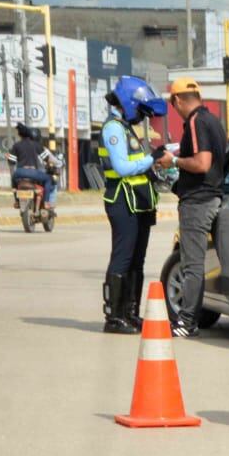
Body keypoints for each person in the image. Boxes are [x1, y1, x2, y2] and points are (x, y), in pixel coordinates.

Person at [155, 78, 226, 337]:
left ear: (177, 100)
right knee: (198, 263)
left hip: (198, 201)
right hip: (210, 197)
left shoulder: (196, 122)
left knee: (192, 264)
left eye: (173, 104)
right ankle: (191, 318)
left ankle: (186, 321)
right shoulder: (213, 121)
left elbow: (202, 163)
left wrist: (173, 160)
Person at [97, 76, 167, 335]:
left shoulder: (126, 127)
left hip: (138, 202)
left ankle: (131, 313)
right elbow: (122, 167)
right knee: (123, 258)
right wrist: (152, 158)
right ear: (128, 104)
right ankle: (114, 318)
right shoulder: (113, 129)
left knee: (137, 260)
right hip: (122, 200)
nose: (141, 117)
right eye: (140, 111)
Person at [7, 122, 57, 210]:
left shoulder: (16, 145)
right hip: (33, 173)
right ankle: (46, 202)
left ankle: (17, 201)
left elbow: (11, 162)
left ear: (19, 135)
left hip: (20, 172)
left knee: (14, 181)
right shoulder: (36, 145)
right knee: (48, 179)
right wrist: (52, 163)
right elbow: (46, 159)